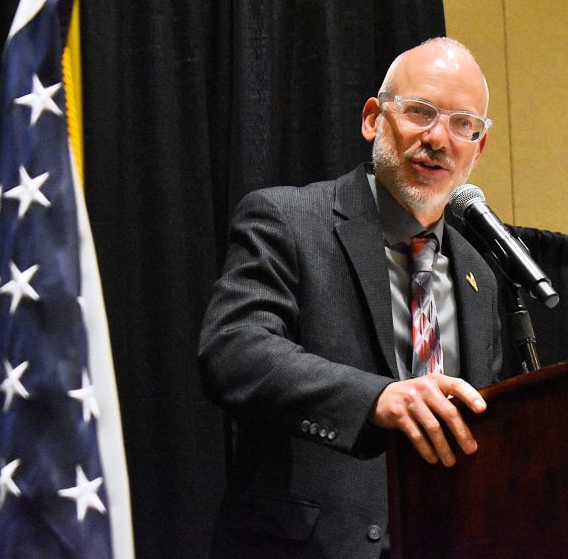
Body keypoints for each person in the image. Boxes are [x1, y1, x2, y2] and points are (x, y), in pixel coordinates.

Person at [198, 37, 503, 557]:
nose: (438, 138)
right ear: (373, 120)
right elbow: (233, 350)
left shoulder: (480, 274)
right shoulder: (287, 220)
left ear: (478, 148)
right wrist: (376, 398)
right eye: (420, 112)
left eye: (461, 124)